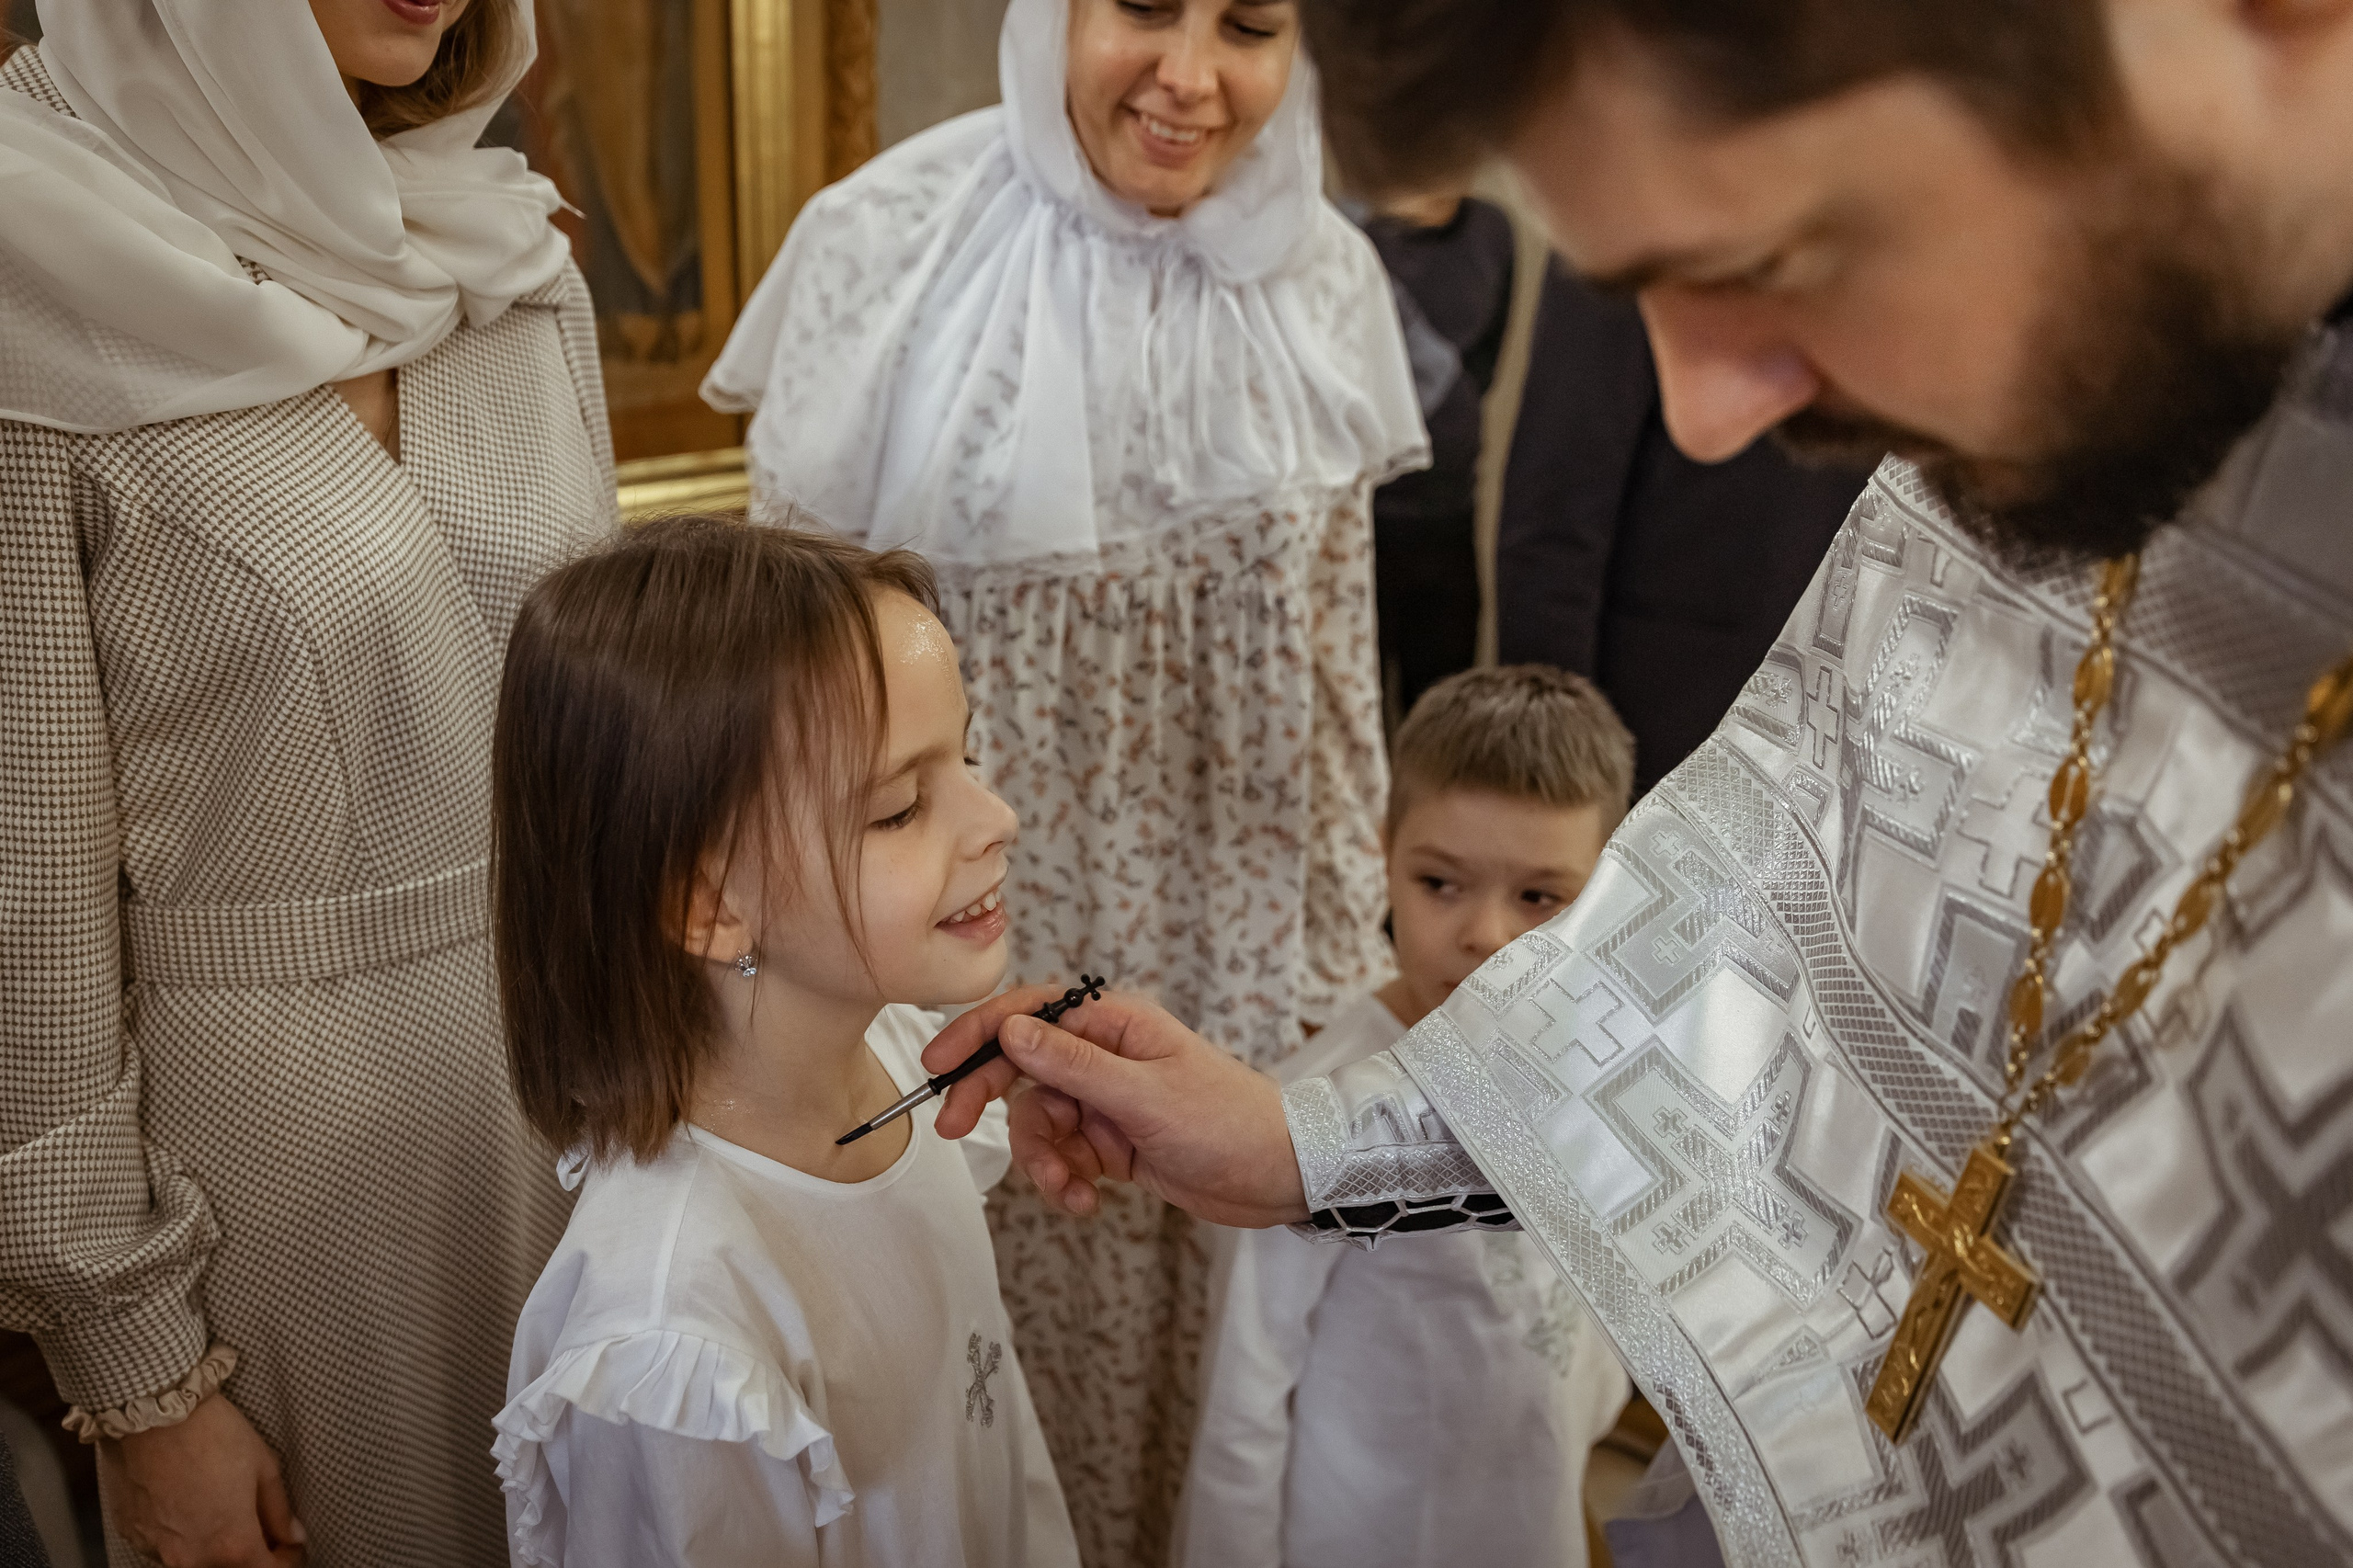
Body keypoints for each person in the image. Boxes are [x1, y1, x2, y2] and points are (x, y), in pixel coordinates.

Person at [915, 3, 2353, 1566]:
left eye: (1773, 261)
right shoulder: (2021, 421)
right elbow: (1728, 990)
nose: (1710, 415)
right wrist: (1302, 1143)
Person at [701, 1, 1425, 1557]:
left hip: (1244, 995)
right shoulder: (881, 247)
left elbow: (1337, 682)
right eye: (1144, 7)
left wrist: (1339, 990)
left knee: (1243, 1434)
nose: (1190, 75)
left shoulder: (1326, 275)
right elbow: (776, 714)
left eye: (1250, 24)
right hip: (951, 982)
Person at [0, 0, 616, 1561]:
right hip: (274, 1210)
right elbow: (24, 913)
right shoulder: (29, 274)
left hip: (605, 1122)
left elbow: (612, 751)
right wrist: (141, 1378)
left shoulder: (503, 249)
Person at [488, 518, 1078, 1568]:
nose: (997, 816)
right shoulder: (676, 1342)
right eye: (900, 808)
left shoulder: (899, 1055)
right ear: (709, 904)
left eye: (969, 754)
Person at [1175, 666, 1633, 1568]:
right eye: (1440, 882)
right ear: (1384, 855)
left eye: (1540, 896)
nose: (1488, 936)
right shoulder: (1308, 1113)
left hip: (1528, 1511)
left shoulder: (1604, 1072)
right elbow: (1242, 1400)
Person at [1495, 261, 1872, 794]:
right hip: (1659, 722)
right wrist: (1544, 774)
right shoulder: (1636, 215)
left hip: (1843, 731)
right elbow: (1555, 514)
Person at [1354, 193, 1519, 716]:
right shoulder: (1344, 232)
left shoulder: (1491, 230)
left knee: (1445, 717)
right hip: (1357, 525)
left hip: (1451, 519)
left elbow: (1485, 360)